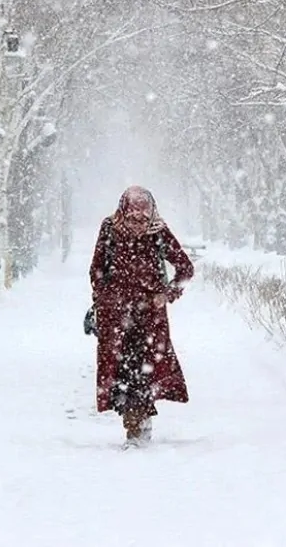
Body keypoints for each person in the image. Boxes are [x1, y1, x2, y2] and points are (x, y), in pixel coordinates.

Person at [89, 185, 195, 447]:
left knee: (143, 371)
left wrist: (167, 294)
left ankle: (138, 427)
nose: (138, 225)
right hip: (116, 316)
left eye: (143, 219)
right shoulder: (109, 229)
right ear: (123, 212)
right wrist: (104, 298)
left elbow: (185, 268)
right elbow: (97, 269)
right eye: (133, 218)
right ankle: (134, 423)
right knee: (121, 372)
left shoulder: (158, 233)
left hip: (150, 318)